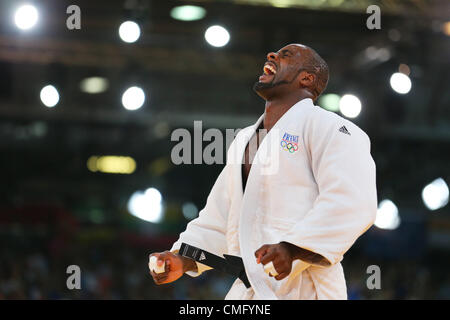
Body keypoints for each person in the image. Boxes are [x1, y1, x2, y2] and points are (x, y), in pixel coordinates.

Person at [149, 43, 377, 300]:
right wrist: (183, 258)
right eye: (275, 53)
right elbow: (221, 216)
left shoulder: (332, 128)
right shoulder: (246, 139)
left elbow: (353, 201)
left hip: (306, 289)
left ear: (307, 78)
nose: (271, 55)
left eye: (286, 55)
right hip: (249, 291)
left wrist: (294, 249)